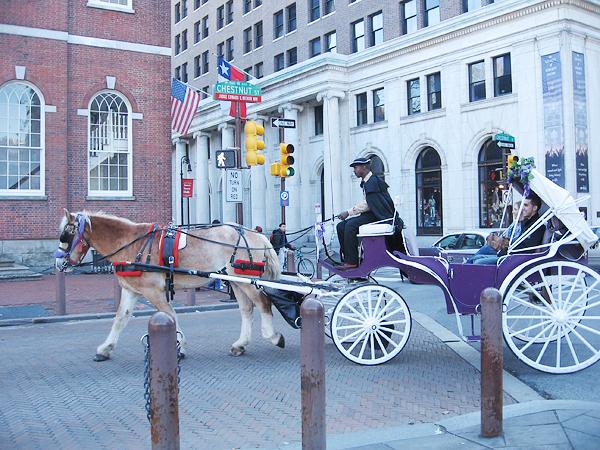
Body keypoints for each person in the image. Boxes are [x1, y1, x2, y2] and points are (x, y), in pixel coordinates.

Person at [336, 157, 396, 269]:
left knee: (350, 225)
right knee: (341, 226)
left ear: (365, 167)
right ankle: (347, 258)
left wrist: (348, 212)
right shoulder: (368, 182)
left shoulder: (373, 181)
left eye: (356, 167)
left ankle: (352, 262)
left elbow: (368, 204)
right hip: (372, 214)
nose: (354, 170)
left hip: (378, 216)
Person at [471, 193, 545, 265]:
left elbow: (527, 249)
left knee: (478, 262)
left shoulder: (537, 226)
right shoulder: (526, 223)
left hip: (518, 258)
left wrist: (504, 251)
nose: (522, 208)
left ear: (535, 208)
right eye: (522, 204)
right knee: (477, 258)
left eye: (525, 205)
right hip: (511, 254)